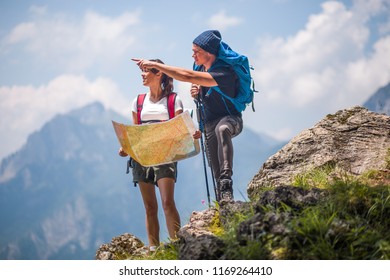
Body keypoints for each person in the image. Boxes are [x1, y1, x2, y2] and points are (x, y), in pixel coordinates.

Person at [133, 30, 243, 202]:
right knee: (215, 170)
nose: (192, 55)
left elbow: (187, 76)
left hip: (231, 119)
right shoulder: (200, 67)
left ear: (209, 52)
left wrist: (157, 66)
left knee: (223, 129)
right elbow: (200, 85)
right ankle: (224, 207)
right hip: (208, 123)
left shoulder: (225, 72)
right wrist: (197, 93)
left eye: (196, 51)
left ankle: (227, 181)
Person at [118, 59, 184, 253]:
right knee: (149, 206)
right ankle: (153, 249)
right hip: (142, 156)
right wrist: (126, 148)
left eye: (147, 71)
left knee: (167, 202)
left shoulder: (173, 100)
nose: (142, 74)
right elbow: (136, 132)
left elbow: (179, 131)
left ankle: (177, 246)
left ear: (159, 74)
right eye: (143, 71)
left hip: (165, 155)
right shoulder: (138, 101)